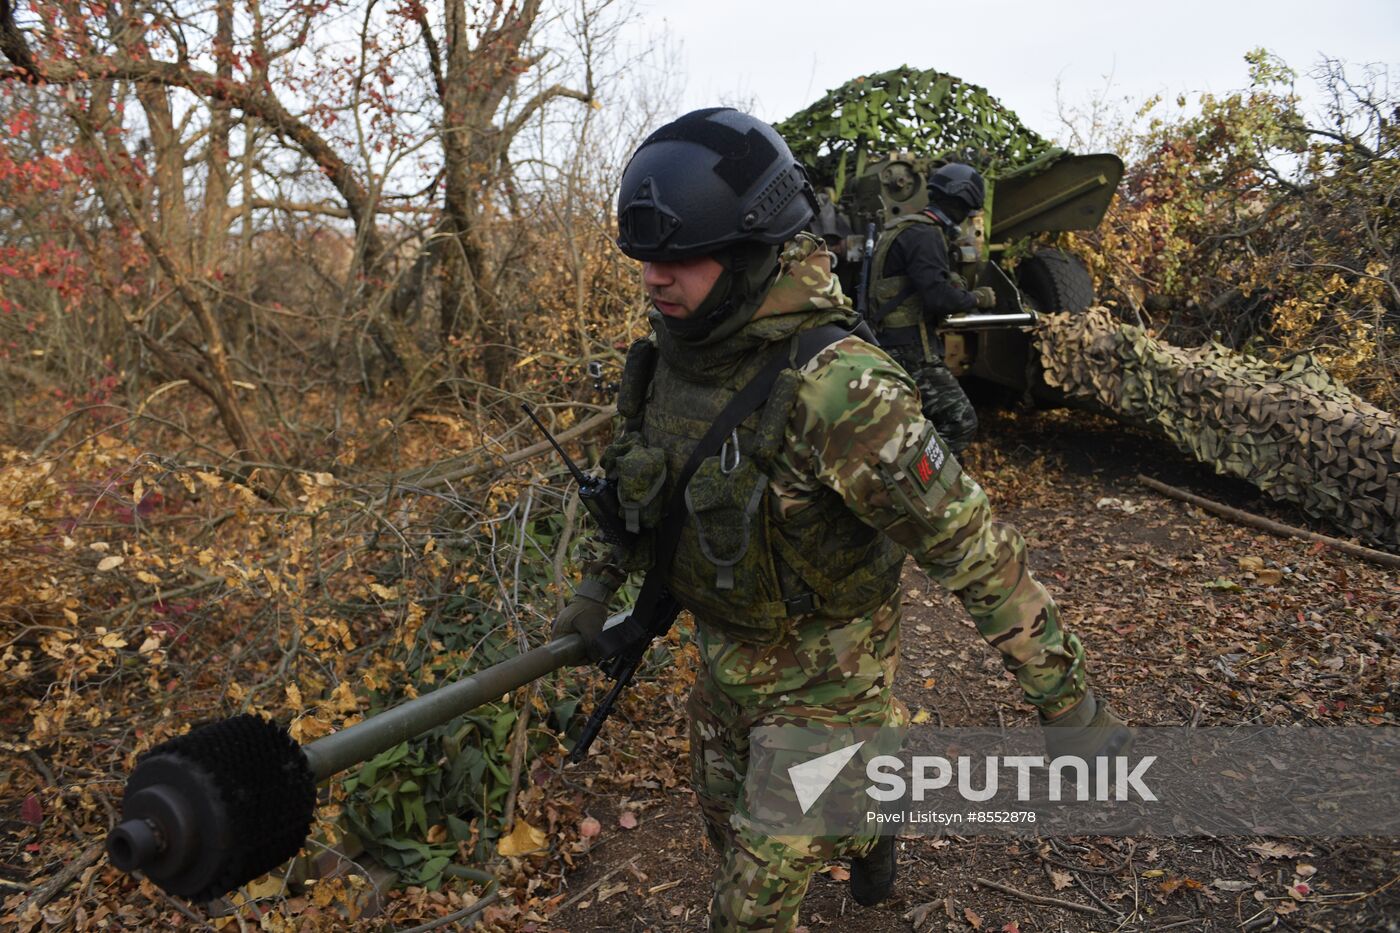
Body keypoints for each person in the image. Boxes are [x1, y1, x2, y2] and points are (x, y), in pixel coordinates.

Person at [554, 108, 1128, 932]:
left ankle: (863, 785)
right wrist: (595, 586)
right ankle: (872, 816)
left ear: (750, 251)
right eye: (644, 259)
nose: (653, 279)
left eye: (678, 258)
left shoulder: (840, 389)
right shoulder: (668, 359)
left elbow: (973, 548)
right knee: (721, 822)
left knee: (748, 904)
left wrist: (1070, 706)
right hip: (726, 661)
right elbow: (632, 483)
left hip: (832, 682)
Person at [866, 163, 997, 455]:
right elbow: (938, 298)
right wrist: (977, 298)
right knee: (960, 421)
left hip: (890, 342)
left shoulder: (903, 228)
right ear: (960, 202)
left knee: (914, 423)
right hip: (910, 349)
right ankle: (919, 475)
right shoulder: (926, 234)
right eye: (967, 210)